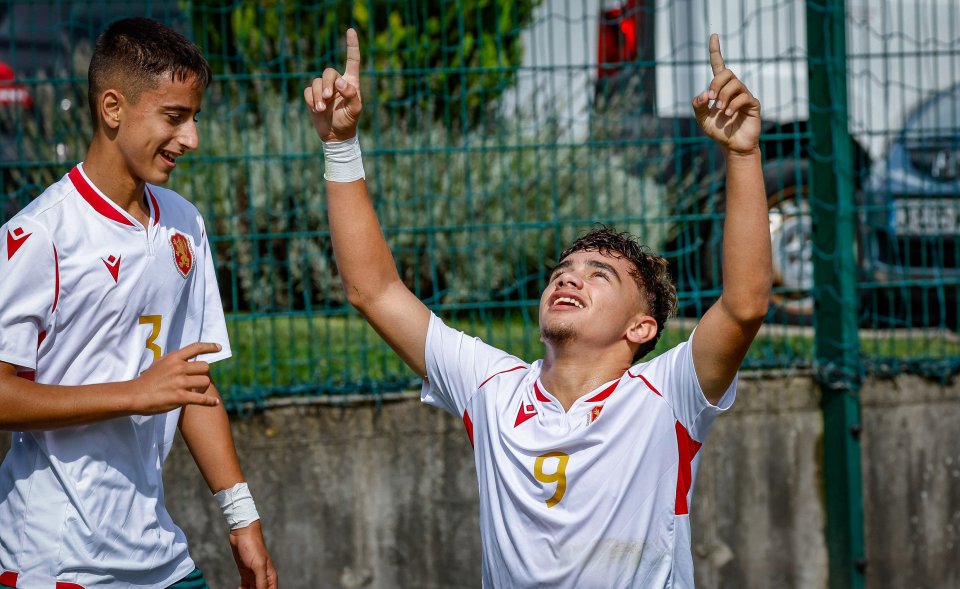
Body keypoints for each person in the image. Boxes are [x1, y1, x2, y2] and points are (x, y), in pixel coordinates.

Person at [306, 29, 770, 588]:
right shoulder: (493, 389)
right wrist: (339, 145)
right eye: (563, 271)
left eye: (600, 275)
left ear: (641, 327)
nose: (570, 279)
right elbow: (373, 290)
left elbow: (744, 305)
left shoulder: (665, 395)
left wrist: (742, 154)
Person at [0, 18, 277, 589]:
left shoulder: (184, 224)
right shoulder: (41, 235)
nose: (192, 138)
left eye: (195, 117)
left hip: (158, 554)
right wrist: (135, 393)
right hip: (59, 561)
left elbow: (192, 382)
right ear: (112, 108)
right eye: (174, 117)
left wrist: (242, 517)